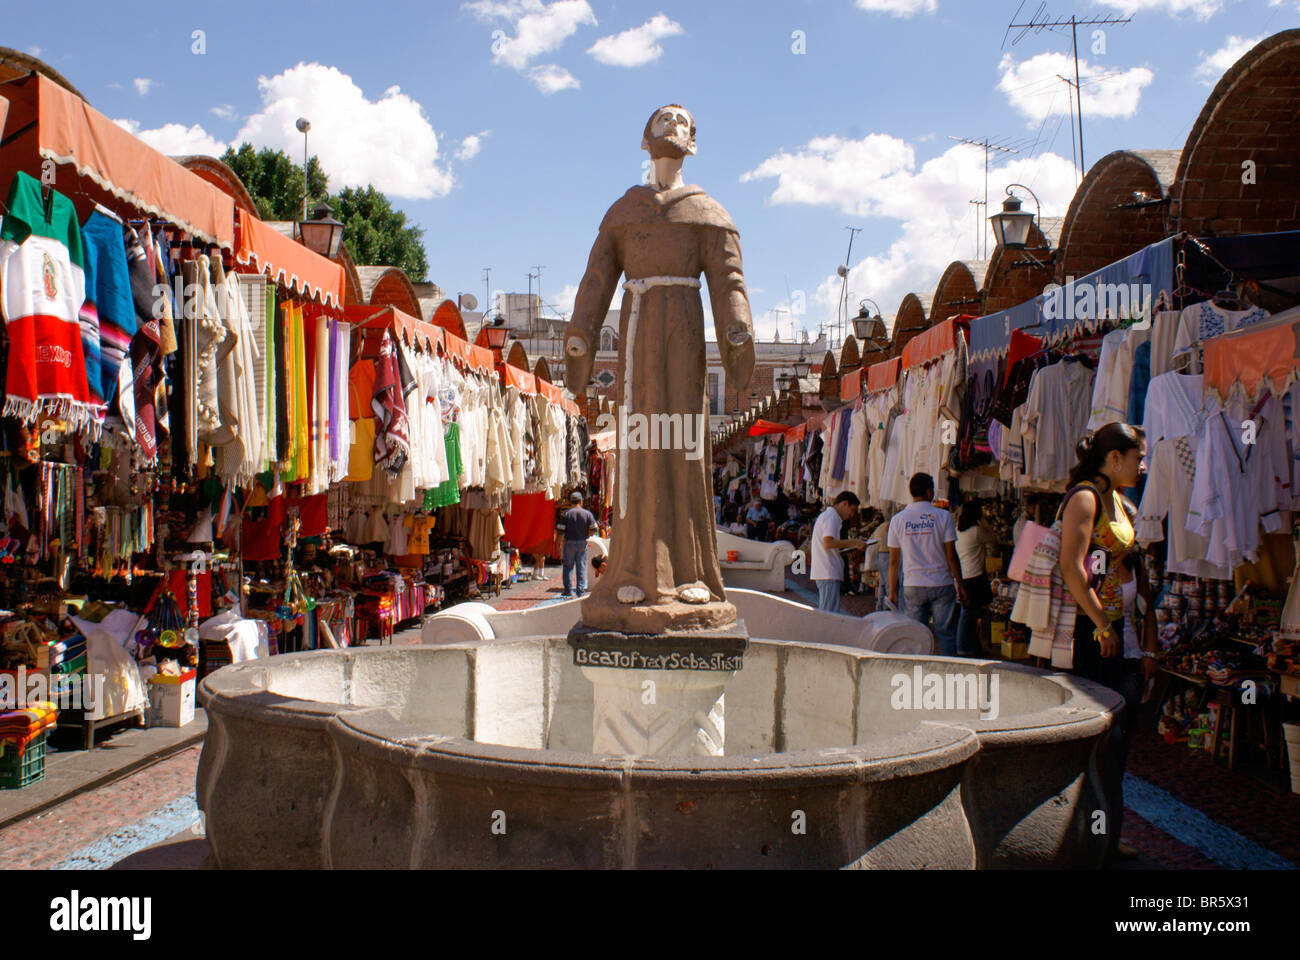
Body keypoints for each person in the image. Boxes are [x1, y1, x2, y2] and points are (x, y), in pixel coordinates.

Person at [1057, 422, 1155, 862]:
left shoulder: (1116, 499)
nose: (1144, 464)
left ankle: (1106, 833)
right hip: (1098, 634)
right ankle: (1093, 837)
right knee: (1102, 743)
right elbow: (1072, 569)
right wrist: (1101, 623)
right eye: (1138, 457)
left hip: (1121, 633)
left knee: (1118, 744)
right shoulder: (1084, 498)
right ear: (1113, 458)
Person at [888, 473, 967, 655]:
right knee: (946, 634)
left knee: (916, 635)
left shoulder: (898, 520)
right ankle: (949, 672)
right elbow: (951, 556)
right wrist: (960, 585)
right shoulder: (943, 516)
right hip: (941, 583)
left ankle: (918, 672)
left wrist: (892, 592)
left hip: (913, 584)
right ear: (929, 491)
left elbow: (894, 561)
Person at [811, 492, 866, 613]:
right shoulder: (832, 517)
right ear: (844, 504)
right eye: (851, 510)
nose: (851, 515)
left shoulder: (829, 516)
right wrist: (853, 542)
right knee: (828, 613)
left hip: (827, 571)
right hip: (827, 571)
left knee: (828, 610)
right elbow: (828, 543)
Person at [955, 500, 995, 657]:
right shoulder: (976, 531)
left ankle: (972, 645)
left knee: (968, 614)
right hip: (975, 577)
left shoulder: (958, 531)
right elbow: (993, 539)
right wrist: (984, 520)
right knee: (969, 615)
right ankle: (963, 648)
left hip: (962, 576)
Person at [556, 491, 599, 598]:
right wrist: (588, 534)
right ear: (581, 501)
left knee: (568, 567)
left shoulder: (566, 514)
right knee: (581, 567)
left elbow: (560, 530)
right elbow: (594, 528)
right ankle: (580, 591)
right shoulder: (587, 514)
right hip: (582, 543)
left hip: (569, 542)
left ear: (571, 502)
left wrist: (560, 543)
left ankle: (568, 590)